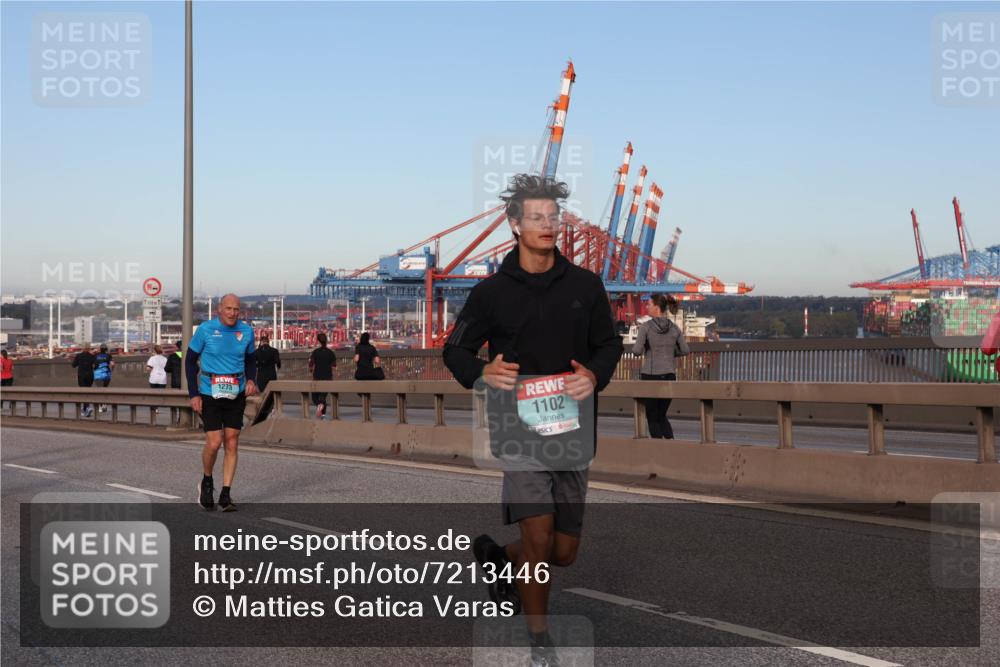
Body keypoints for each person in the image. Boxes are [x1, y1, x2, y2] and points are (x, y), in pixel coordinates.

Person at [443, 174, 623, 667]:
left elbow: (609, 345)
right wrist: (483, 371)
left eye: (554, 216)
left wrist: (596, 374)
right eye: (537, 217)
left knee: (562, 553)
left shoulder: (587, 286)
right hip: (518, 431)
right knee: (539, 540)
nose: (548, 225)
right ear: (515, 224)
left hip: (571, 432)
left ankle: (500, 559)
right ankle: (539, 640)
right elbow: (454, 349)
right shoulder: (491, 293)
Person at [186, 294, 258, 512]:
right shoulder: (206, 330)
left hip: (236, 391)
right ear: (219, 309)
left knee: (232, 441)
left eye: (236, 309)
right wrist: (194, 394)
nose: (232, 313)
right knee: (215, 442)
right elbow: (189, 361)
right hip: (210, 391)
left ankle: (226, 494)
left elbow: (251, 359)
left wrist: (252, 379)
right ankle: (207, 481)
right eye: (228, 308)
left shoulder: (246, 331)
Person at [632, 293, 690, 439]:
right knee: (661, 414)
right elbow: (685, 350)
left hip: (650, 376)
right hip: (669, 376)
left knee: (652, 416)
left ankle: (659, 450)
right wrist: (670, 353)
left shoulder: (645, 327)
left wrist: (648, 348)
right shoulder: (675, 328)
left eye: (648, 305)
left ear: (657, 308)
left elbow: (636, 351)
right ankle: (670, 444)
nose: (646, 307)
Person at [308, 332, 336, 419]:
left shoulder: (315, 352)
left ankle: (319, 405)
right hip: (328, 377)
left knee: (314, 397)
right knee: (323, 397)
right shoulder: (331, 353)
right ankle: (323, 415)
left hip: (317, 377)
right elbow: (334, 366)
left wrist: (311, 370)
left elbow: (311, 365)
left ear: (318, 341)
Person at [71, 344, 97, 417]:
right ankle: (85, 409)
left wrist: (79, 363)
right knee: (87, 391)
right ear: (89, 349)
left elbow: (73, 365)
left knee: (83, 392)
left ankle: (87, 407)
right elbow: (96, 365)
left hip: (82, 376)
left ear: (83, 348)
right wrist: (92, 368)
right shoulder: (92, 356)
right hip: (90, 376)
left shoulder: (79, 356)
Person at [93, 343, 115, 413]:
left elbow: (93, 364)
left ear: (100, 349)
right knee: (105, 390)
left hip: (98, 375)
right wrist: (112, 370)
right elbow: (112, 364)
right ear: (106, 349)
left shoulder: (96, 355)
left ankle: (100, 406)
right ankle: (104, 405)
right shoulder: (108, 355)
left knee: (100, 391)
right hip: (106, 374)